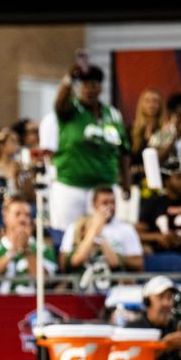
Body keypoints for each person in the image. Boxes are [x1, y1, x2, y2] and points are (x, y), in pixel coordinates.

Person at [51, 63, 131, 234]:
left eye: (93, 85)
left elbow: (123, 151)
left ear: (100, 88)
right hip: (71, 187)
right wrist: (69, 79)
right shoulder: (71, 110)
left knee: (108, 233)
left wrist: (126, 183)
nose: (88, 90)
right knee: (68, 234)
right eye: (84, 85)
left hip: (105, 188)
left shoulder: (113, 114)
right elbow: (59, 104)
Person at [60, 187, 144, 283]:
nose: (109, 207)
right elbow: (69, 262)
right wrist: (94, 230)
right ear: (94, 204)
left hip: (112, 287)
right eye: (105, 203)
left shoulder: (126, 228)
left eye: (112, 202)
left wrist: (101, 239)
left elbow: (125, 264)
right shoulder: (78, 226)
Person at [0, 195, 57, 294]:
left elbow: (46, 281)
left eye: (27, 215)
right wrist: (12, 252)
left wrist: (27, 251)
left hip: (34, 305)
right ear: (5, 217)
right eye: (17, 214)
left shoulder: (43, 249)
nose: (23, 219)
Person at [135, 158, 181, 256]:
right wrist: (158, 237)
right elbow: (137, 233)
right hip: (160, 253)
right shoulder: (154, 202)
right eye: (179, 177)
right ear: (167, 181)